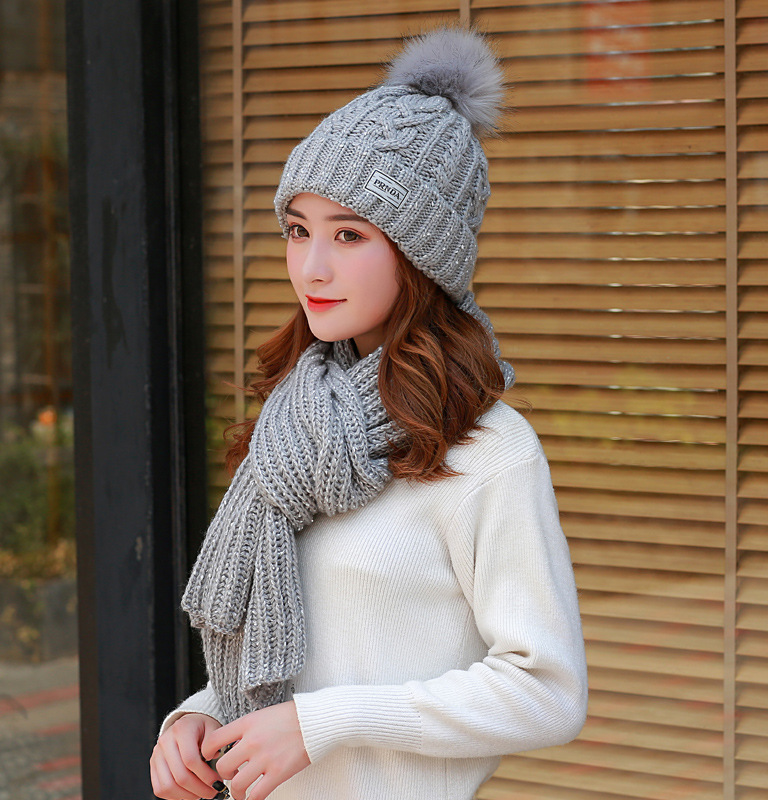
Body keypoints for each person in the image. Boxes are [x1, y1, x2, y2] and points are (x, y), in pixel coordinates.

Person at [150, 26, 587, 800]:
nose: (311, 269)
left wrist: (325, 724)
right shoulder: (293, 428)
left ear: (421, 255)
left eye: (349, 234)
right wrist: (199, 718)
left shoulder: (489, 452)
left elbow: (548, 692)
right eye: (298, 231)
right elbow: (293, 655)